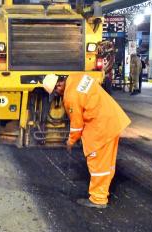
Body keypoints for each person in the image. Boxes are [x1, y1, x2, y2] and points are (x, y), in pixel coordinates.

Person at [42, 73, 131, 209]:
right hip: (113, 120)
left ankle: (98, 199)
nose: (58, 95)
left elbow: (77, 125)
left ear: (59, 85)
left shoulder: (70, 97)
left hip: (101, 127)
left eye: (56, 92)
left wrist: (70, 141)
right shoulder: (77, 76)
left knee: (97, 164)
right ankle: (104, 189)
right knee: (107, 163)